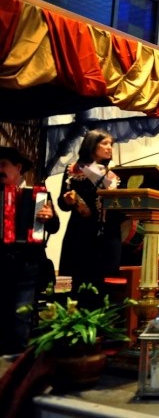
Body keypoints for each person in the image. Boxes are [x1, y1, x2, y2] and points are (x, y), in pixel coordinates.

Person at [0, 147, 60, 355]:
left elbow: (54, 228)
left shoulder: (39, 195)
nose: (0, 170)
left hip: (28, 262)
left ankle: (16, 357)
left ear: (18, 168)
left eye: (3, 165)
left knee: (21, 312)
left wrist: (49, 216)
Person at [57, 129, 122, 308]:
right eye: (105, 144)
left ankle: (100, 329)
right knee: (76, 280)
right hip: (79, 233)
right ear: (92, 145)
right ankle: (75, 327)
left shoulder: (114, 172)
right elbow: (61, 205)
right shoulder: (73, 170)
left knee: (101, 283)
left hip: (106, 235)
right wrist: (67, 200)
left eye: (111, 144)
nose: (109, 148)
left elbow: (120, 208)